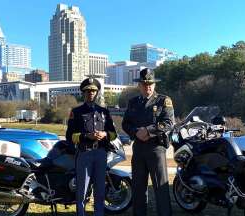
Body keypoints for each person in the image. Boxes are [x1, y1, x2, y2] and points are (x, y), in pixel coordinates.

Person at [122, 68, 175, 216]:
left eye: (150, 83)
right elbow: (126, 124)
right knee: (138, 188)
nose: (148, 86)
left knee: (161, 188)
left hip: (156, 149)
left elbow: (169, 122)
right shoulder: (133, 102)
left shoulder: (164, 100)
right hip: (138, 149)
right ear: (139, 85)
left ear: (154, 84)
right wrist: (136, 132)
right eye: (144, 84)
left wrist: (148, 131)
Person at [66, 77, 117, 216]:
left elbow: (114, 134)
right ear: (83, 93)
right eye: (88, 91)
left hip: (100, 154)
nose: (91, 93)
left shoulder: (104, 112)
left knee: (100, 191)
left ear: (97, 93)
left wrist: (105, 134)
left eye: (93, 91)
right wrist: (86, 136)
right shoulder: (76, 112)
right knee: (81, 191)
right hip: (84, 154)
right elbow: (69, 136)